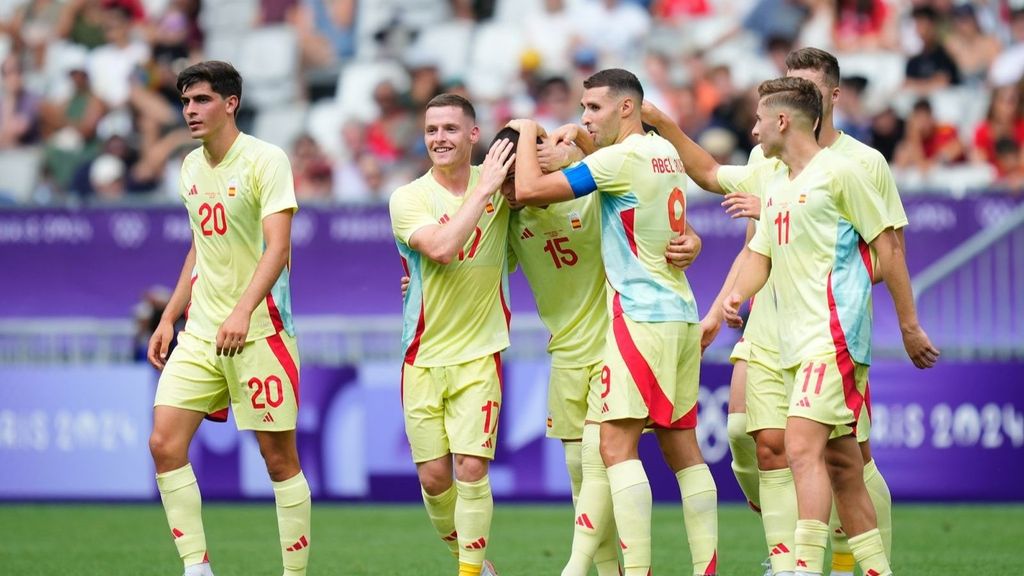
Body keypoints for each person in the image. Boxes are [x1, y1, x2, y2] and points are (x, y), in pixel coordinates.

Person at [646, 47, 910, 576]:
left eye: (805, 85)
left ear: (827, 97)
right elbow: (754, 242)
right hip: (768, 319)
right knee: (755, 439)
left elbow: (885, 252)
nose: (792, 91)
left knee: (845, 454)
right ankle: (787, 557)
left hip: (827, 324)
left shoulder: (861, 164)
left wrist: (822, 278)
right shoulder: (767, 159)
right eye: (788, 82)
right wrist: (722, 310)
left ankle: (832, 562)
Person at [720, 76, 937, 576]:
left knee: (799, 447)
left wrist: (909, 327)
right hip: (794, 343)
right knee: (843, 466)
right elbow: (760, 254)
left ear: (782, 121)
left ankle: (801, 568)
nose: (752, 130)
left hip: (834, 337)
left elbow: (890, 248)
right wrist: (737, 295)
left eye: (758, 120)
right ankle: (878, 570)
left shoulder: (841, 174)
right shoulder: (775, 181)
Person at [510, 68, 718, 576]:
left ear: (627, 108)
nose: (585, 118)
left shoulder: (619, 159)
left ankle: (630, 571)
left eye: (594, 108)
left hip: (639, 315)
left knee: (614, 446)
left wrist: (524, 130)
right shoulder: (661, 152)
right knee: (683, 447)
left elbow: (533, 190)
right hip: (681, 312)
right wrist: (579, 136)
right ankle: (705, 569)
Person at [146, 61, 310, 576]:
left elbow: (278, 248)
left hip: (259, 332)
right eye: (186, 102)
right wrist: (170, 315)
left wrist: (243, 310)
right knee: (163, 444)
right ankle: (197, 568)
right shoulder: (190, 166)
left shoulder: (266, 159)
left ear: (230, 103)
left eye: (201, 100)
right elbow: (201, 245)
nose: (190, 111)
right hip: (200, 333)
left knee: (279, 461)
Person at [387, 93, 514, 576]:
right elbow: (439, 249)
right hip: (422, 355)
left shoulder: (505, 191)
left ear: (474, 135)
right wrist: (484, 190)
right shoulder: (409, 197)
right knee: (436, 480)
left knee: (472, 469)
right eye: (432, 130)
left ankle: (468, 571)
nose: (439, 139)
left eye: (450, 129)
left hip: (480, 354)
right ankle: (477, 563)